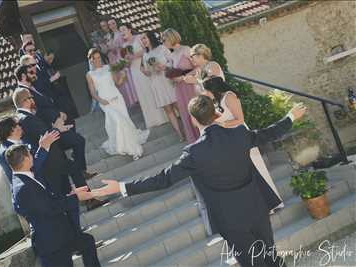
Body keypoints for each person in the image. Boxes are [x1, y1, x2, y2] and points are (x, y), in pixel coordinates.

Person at [91, 96, 307, 267]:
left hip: (229, 219)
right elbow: (268, 134)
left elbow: (163, 179)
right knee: (271, 257)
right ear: (216, 114)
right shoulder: (239, 133)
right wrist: (290, 117)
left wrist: (121, 186)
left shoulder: (194, 153)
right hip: (256, 207)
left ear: (193, 120)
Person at [5, 144, 101, 267]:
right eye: (30, 153)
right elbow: (49, 208)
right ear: (25, 159)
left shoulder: (25, 178)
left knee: (87, 242)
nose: (32, 155)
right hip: (51, 242)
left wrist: (71, 195)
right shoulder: (23, 187)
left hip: (59, 234)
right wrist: (76, 197)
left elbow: (46, 201)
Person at [12, 88, 105, 210]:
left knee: (69, 177)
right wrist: (57, 128)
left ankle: (86, 201)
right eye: (31, 97)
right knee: (71, 173)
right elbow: (46, 135)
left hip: (51, 158)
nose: (33, 100)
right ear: (25, 100)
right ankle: (88, 200)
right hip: (50, 161)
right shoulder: (26, 118)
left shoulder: (23, 116)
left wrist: (57, 128)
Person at [203, 77, 284, 211]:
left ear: (213, 88)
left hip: (241, 136)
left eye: (206, 90)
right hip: (232, 139)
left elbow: (240, 119)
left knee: (257, 169)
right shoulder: (218, 100)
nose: (206, 93)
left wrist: (221, 124)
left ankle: (270, 204)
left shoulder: (229, 97)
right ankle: (261, 205)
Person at [15, 63, 98, 180]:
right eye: (31, 72)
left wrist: (59, 114)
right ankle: (80, 172)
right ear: (23, 76)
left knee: (76, 142)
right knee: (78, 141)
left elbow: (47, 103)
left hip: (55, 125)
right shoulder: (22, 93)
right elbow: (38, 112)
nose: (34, 74)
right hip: (49, 130)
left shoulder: (32, 86)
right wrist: (56, 118)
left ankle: (80, 172)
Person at [86, 48, 149, 160]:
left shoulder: (108, 67)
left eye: (99, 58)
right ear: (90, 60)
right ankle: (133, 150)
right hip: (105, 102)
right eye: (94, 59)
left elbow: (118, 83)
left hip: (117, 98)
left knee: (124, 120)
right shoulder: (90, 74)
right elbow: (92, 93)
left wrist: (123, 76)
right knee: (119, 121)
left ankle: (127, 142)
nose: (97, 60)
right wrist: (101, 101)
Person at [120, 23, 167, 128]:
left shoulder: (139, 38)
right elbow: (126, 63)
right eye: (120, 31)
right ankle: (152, 119)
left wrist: (134, 56)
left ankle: (163, 115)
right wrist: (127, 60)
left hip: (144, 66)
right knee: (143, 93)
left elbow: (146, 50)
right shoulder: (123, 46)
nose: (122, 32)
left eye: (123, 29)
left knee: (151, 89)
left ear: (129, 29)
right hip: (134, 71)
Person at [141, 31, 184, 141]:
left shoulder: (162, 48)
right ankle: (179, 134)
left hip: (168, 79)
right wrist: (148, 71)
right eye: (142, 39)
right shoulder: (145, 55)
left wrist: (163, 66)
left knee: (178, 106)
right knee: (168, 110)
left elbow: (172, 61)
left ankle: (189, 129)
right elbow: (148, 72)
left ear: (150, 38)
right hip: (156, 83)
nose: (143, 41)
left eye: (144, 38)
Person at [0, 114, 59, 185]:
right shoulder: (7, 152)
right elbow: (30, 168)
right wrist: (43, 148)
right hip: (33, 187)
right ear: (11, 131)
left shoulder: (20, 138)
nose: (20, 127)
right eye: (17, 125)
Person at [162, 28, 199, 143]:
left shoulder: (186, 49)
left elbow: (198, 67)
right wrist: (172, 78)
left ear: (171, 38)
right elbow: (174, 73)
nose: (163, 43)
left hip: (190, 86)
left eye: (164, 40)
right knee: (185, 114)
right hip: (179, 89)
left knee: (196, 112)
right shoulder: (172, 56)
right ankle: (194, 141)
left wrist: (183, 77)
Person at [106, 18, 137, 108]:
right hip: (117, 58)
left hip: (124, 55)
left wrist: (117, 47)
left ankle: (135, 97)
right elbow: (113, 50)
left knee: (129, 76)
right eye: (110, 24)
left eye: (113, 23)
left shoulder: (121, 32)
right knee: (123, 79)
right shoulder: (110, 36)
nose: (112, 26)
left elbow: (126, 44)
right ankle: (130, 99)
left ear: (116, 23)